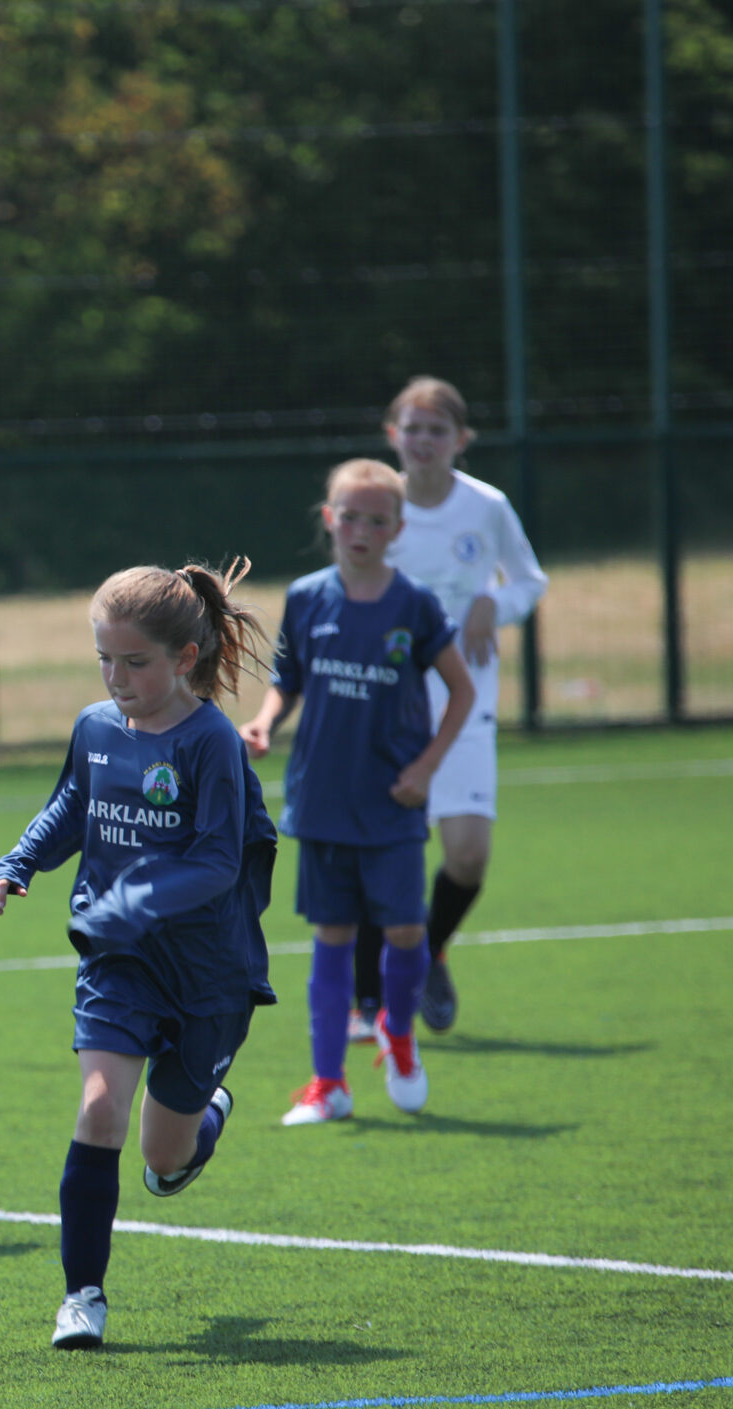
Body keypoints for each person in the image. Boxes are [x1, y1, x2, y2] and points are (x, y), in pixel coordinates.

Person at [0, 562, 276, 1351]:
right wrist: (19, 860)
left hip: (208, 971)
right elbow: (72, 807)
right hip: (118, 958)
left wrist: (137, 898)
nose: (116, 678)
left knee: (163, 1157)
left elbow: (219, 861)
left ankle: (206, 1116)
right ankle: (83, 1296)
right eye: (104, 661)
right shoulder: (96, 727)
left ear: (184, 658)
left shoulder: (211, 740)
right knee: (99, 1109)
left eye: (135, 662)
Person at [241, 460, 475, 1126]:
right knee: (331, 937)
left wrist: (427, 767)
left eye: (377, 519)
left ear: (398, 528)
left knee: (404, 930)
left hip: (394, 801)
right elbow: (288, 677)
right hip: (321, 800)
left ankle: (398, 1038)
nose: (362, 529)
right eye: (350, 516)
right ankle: (328, 1083)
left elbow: (462, 690)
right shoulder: (309, 596)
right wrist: (263, 720)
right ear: (329, 519)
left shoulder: (416, 605)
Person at [349, 376, 550, 1039]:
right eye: (414, 428)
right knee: (384, 851)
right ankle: (368, 994)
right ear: (392, 435)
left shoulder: (486, 507)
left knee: (467, 856)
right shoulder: (377, 506)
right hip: (388, 706)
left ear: (461, 440)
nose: (425, 440)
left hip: (464, 704)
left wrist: (499, 601)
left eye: (439, 430)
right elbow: (348, 584)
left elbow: (529, 578)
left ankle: (428, 949)